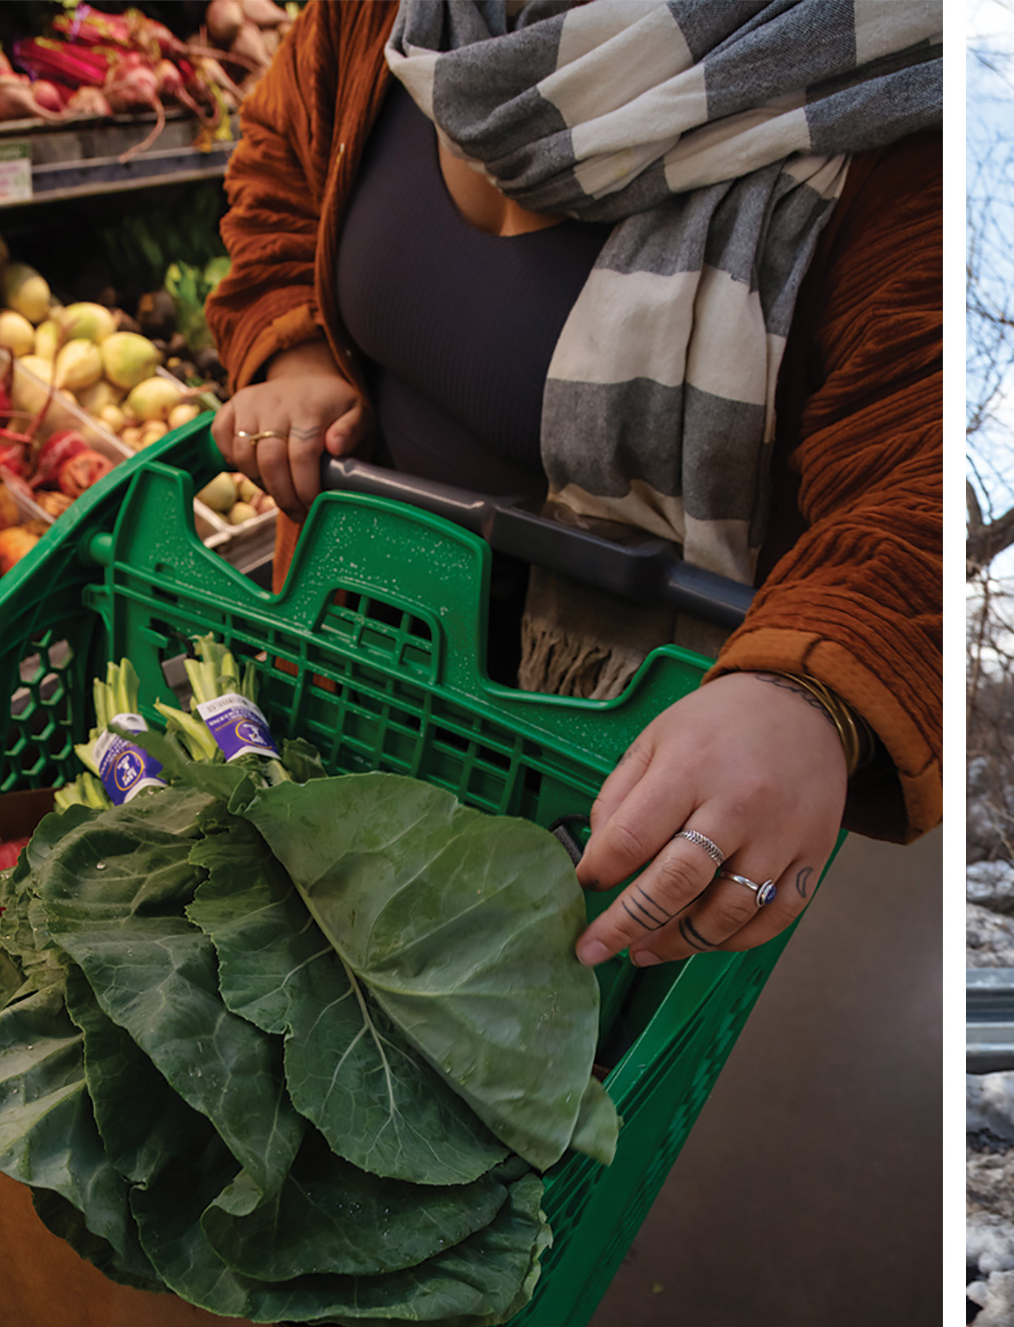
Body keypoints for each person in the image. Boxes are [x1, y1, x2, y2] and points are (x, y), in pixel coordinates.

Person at [204, 0, 942, 966]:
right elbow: (282, 164)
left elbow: (914, 478)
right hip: (343, 660)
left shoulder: (898, 113)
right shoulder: (381, 16)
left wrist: (809, 693)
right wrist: (292, 345)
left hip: (611, 781)